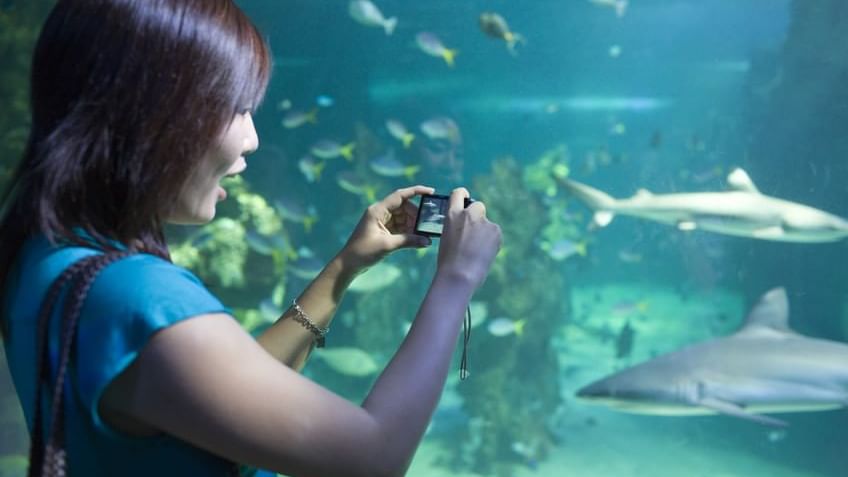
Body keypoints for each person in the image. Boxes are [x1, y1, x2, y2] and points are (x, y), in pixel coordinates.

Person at [0, 1, 502, 476]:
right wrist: (455, 280)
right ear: (151, 113)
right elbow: (374, 457)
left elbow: (225, 389)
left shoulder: (45, 253)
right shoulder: (135, 299)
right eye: (236, 108)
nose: (252, 139)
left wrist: (344, 267)